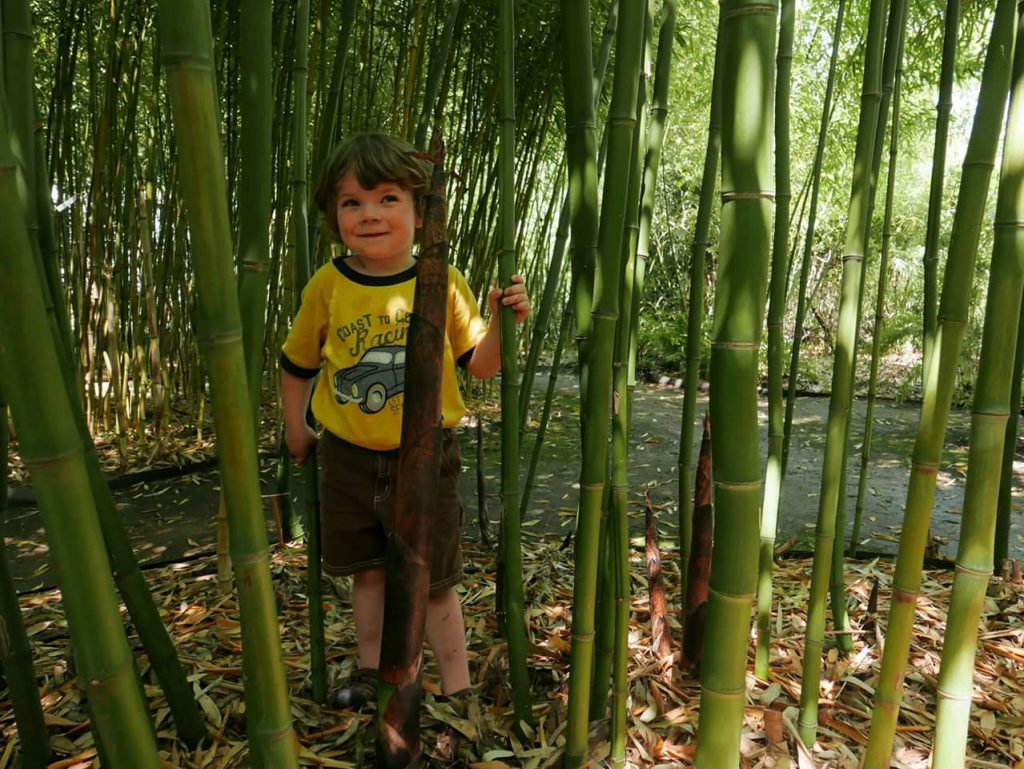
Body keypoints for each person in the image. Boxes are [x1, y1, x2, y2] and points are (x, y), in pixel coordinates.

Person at [279, 132, 529, 707]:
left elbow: (480, 366)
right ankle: (372, 674)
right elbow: (297, 364)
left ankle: (458, 686)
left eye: (388, 199)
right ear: (332, 215)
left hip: (428, 456)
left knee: (435, 582)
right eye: (351, 202)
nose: (369, 214)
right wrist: (296, 425)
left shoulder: (442, 280)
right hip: (347, 458)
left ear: (420, 211)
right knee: (367, 573)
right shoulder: (329, 285)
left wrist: (500, 321)